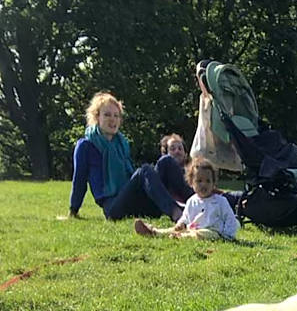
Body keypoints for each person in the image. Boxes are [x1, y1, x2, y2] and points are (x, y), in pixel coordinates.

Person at [69, 92, 184, 223]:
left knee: (166, 161)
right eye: (107, 115)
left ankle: (202, 203)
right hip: (113, 206)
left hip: (135, 202)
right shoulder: (86, 145)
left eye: (116, 116)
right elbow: (79, 179)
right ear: (97, 117)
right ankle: (177, 214)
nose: (113, 119)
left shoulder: (121, 143)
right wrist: (73, 210)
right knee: (144, 171)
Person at [134, 156, 240, 240]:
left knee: (204, 234)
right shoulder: (192, 201)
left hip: (213, 232)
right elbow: (186, 217)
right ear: (191, 183)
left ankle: (180, 237)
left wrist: (228, 235)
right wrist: (180, 224)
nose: (204, 185)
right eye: (199, 181)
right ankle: (154, 232)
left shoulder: (220, 201)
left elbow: (230, 219)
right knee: (175, 229)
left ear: (213, 184)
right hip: (191, 229)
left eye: (208, 181)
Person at [155, 133, 193, 204]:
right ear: (166, 153)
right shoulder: (162, 168)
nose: (177, 151)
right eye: (172, 149)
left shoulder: (192, 173)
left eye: (180, 149)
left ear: (185, 155)